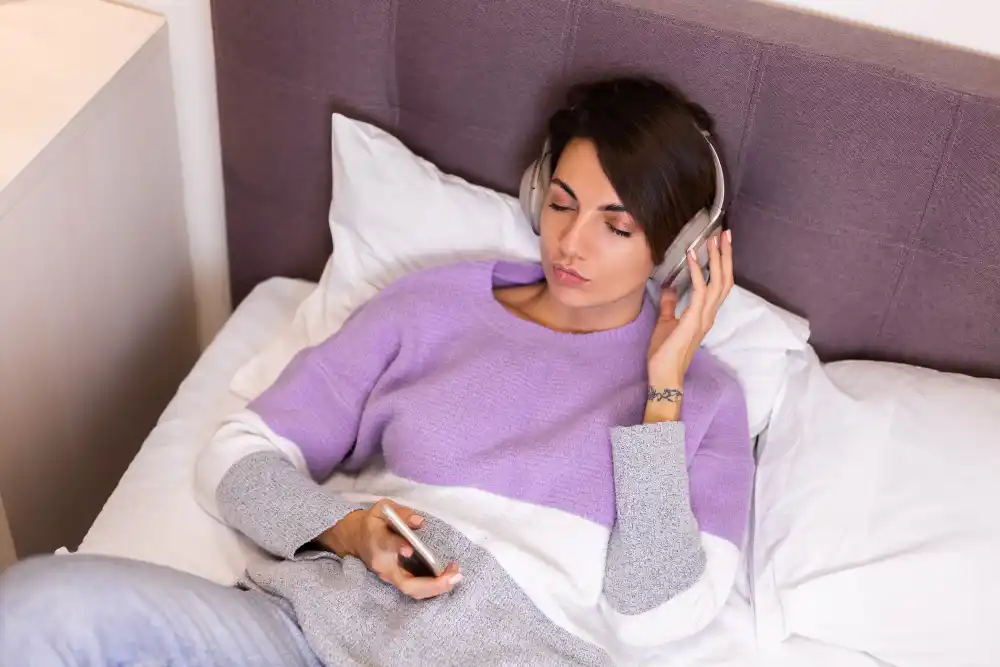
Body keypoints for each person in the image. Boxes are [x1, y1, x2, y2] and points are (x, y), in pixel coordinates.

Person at [0, 77, 752, 667]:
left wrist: (663, 390)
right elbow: (237, 454)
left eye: (616, 226)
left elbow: (653, 616)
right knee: (36, 609)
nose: (571, 243)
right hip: (305, 629)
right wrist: (346, 528)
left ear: (678, 243)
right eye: (561, 203)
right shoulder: (430, 307)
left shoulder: (705, 398)